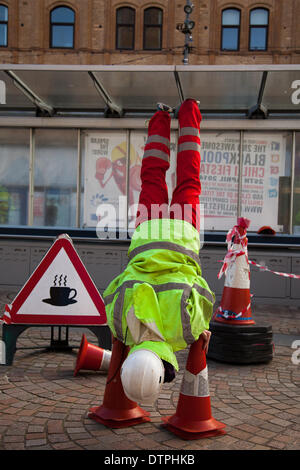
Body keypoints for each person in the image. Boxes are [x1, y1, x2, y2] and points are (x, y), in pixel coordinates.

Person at [103, 99, 215, 406]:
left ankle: (191, 110)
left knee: (189, 179)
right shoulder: (120, 325)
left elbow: (205, 295)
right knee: (152, 176)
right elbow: (113, 289)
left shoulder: (185, 333)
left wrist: (201, 331)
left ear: (167, 371)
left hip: (182, 236)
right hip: (147, 234)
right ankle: (161, 115)